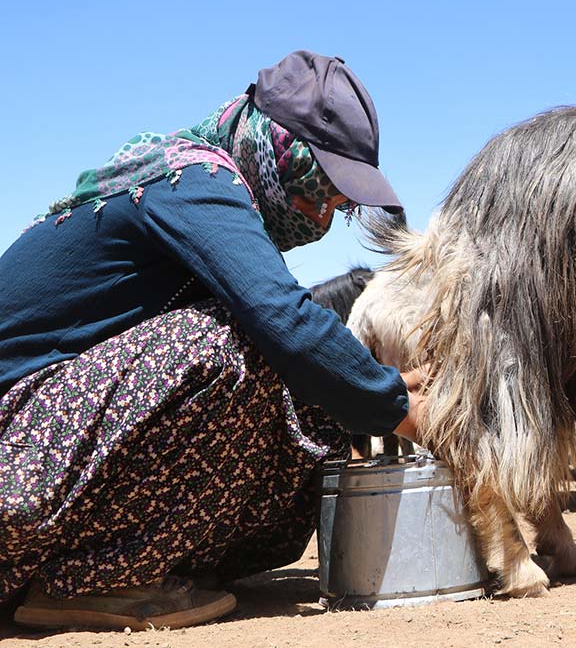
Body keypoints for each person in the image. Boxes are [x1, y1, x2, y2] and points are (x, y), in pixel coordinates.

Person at [0, 51, 424, 631]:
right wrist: (401, 408)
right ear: (274, 146)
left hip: (37, 459)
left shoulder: (204, 188)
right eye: (315, 187)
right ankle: (97, 580)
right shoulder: (195, 181)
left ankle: (133, 562)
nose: (323, 215)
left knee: (305, 392)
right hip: (17, 459)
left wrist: (373, 391)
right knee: (232, 343)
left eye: (338, 204)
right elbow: (282, 318)